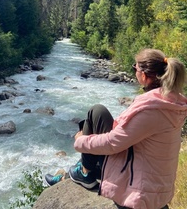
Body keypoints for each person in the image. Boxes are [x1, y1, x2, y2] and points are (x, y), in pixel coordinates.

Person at [45, 48, 187, 209]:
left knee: (94, 115)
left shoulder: (152, 109)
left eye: (135, 68)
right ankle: (79, 171)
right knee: (98, 113)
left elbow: (113, 143)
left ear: (144, 75)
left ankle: (83, 173)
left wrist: (81, 141)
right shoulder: (170, 101)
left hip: (140, 190)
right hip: (150, 176)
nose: (134, 71)